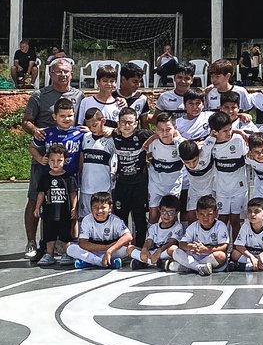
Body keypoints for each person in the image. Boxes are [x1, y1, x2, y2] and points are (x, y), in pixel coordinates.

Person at [33, 143, 78, 266]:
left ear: (65, 160)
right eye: (52, 160)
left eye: (59, 160)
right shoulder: (45, 177)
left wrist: (74, 208)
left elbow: (73, 194)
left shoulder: (69, 177)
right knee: (49, 235)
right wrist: (37, 207)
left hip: (64, 212)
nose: (55, 163)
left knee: (65, 235)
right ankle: (49, 255)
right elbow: (41, 193)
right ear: (48, 161)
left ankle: (66, 254)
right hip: (49, 213)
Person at [111, 108, 151, 248]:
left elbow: (160, 133)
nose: (127, 126)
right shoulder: (113, 136)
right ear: (118, 124)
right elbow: (97, 126)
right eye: (123, 122)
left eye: (130, 122)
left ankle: (139, 248)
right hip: (121, 185)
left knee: (139, 218)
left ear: (136, 124)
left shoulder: (142, 135)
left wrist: (150, 141)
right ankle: (121, 247)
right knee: (120, 218)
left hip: (139, 185)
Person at [67, 191, 132, 270]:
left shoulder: (115, 220)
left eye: (103, 207)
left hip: (111, 251)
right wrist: (106, 247)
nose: (99, 211)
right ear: (91, 208)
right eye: (95, 207)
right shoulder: (87, 220)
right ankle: (103, 262)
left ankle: (89, 262)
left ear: (110, 208)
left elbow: (128, 236)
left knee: (126, 249)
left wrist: (109, 251)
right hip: (93, 251)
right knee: (70, 248)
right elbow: (83, 243)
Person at [168, 194, 229, 276]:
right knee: (173, 250)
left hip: (209, 256)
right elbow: (182, 244)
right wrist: (191, 247)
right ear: (196, 214)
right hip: (195, 256)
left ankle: (189, 267)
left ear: (216, 213)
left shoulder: (220, 226)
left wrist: (206, 249)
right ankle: (199, 267)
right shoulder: (193, 226)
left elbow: (225, 246)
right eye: (202, 215)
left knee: (221, 256)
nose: (205, 218)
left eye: (209, 214)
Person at [129, 193, 181, 269]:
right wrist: (144, 249)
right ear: (159, 210)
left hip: (163, 252)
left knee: (174, 249)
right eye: (163, 211)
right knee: (129, 248)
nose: (166, 215)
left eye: (171, 212)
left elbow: (172, 242)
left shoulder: (178, 226)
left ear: (176, 213)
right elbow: (149, 241)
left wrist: (159, 251)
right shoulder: (154, 227)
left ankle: (145, 262)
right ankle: (157, 263)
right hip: (152, 252)